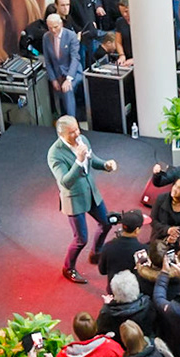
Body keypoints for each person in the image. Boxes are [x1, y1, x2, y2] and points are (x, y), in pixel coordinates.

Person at [50, 115, 119, 284]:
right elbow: (65, 182)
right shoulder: (55, 154)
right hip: (74, 199)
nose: (77, 134)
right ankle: (68, 268)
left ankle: (96, 252)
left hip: (91, 192)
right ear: (61, 134)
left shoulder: (83, 140)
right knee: (81, 239)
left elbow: (92, 159)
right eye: (72, 132)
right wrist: (78, 161)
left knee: (106, 222)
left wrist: (105, 165)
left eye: (77, 129)